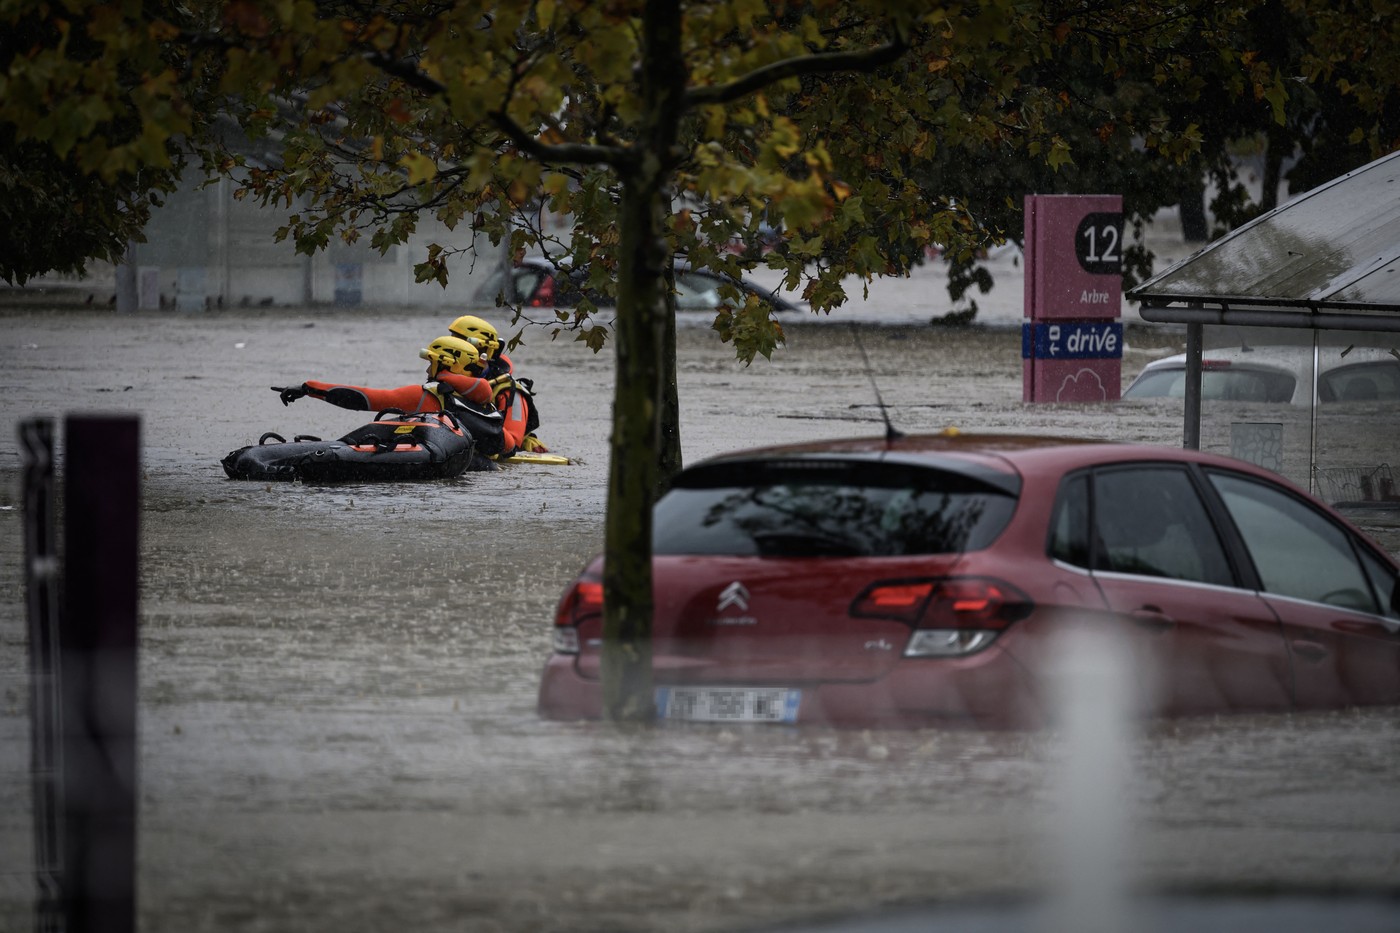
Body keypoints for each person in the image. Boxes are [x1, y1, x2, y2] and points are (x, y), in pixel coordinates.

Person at [274, 335, 521, 457]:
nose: (427, 370)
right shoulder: (486, 399)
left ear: (446, 364)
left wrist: (309, 388)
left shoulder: (427, 396)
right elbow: (507, 444)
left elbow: (364, 398)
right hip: (488, 467)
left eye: (432, 363)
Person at [445, 315, 549, 454]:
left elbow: (512, 444)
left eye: (460, 350)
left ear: (483, 351)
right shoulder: (445, 380)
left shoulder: (510, 393)